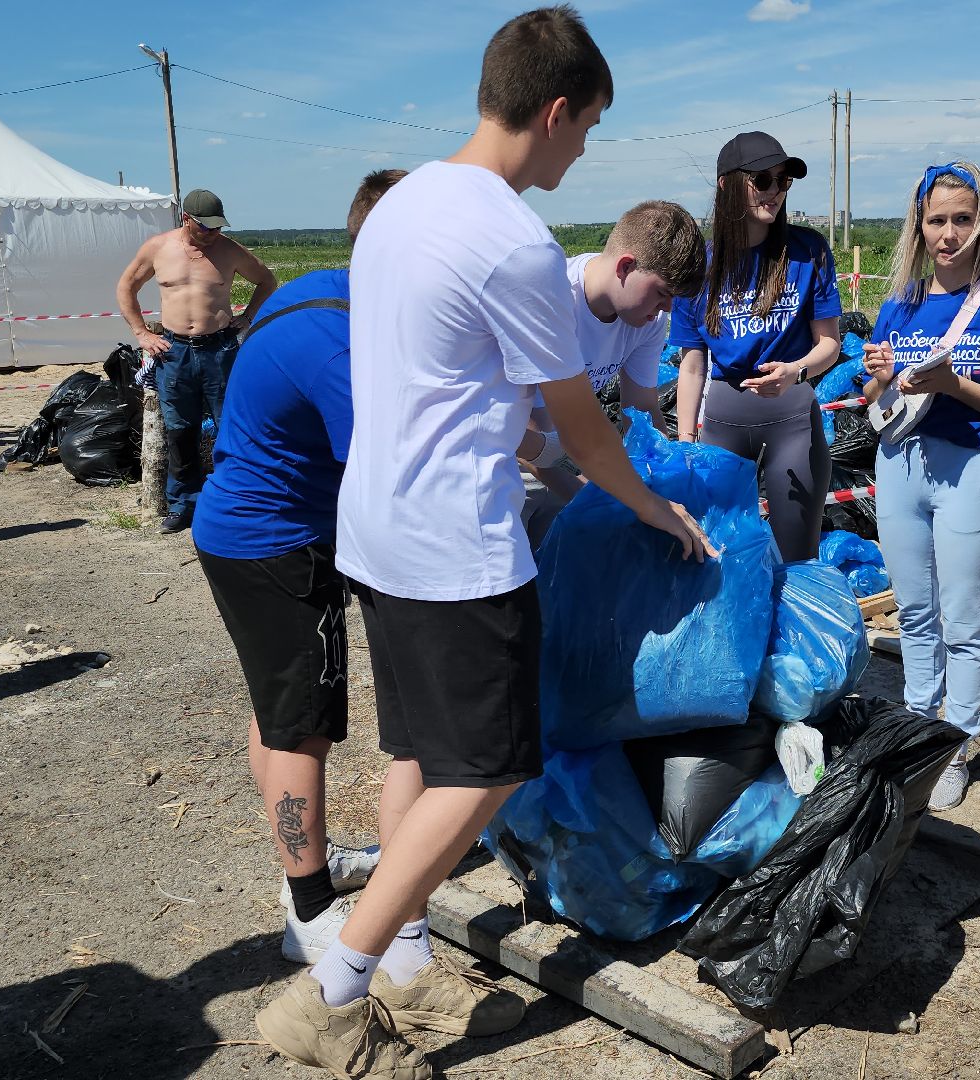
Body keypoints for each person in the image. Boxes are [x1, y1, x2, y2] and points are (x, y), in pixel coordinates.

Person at [254, 9, 713, 1076]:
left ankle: (406, 962)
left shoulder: (402, 204)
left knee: (420, 753)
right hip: (454, 541)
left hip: (376, 524)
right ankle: (331, 993)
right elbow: (580, 420)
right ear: (553, 111)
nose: (585, 148)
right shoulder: (513, 239)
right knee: (491, 768)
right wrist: (647, 504)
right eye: (588, 124)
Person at [191, 169, 407, 967]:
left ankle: (300, 872)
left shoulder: (323, 290)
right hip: (278, 543)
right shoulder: (346, 344)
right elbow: (382, 477)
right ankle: (309, 912)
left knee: (278, 711)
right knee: (302, 729)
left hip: (239, 528)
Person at [857, 162, 980, 812]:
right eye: (937, 220)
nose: (949, 233)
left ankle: (954, 747)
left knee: (962, 619)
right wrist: (878, 374)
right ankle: (916, 733)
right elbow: (875, 396)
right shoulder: (901, 304)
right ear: (920, 226)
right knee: (912, 614)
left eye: (962, 218)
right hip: (899, 466)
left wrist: (953, 385)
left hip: (965, 468)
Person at [671, 131, 841, 563]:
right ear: (728, 185)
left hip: (792, 416)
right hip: (722, 421)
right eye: (763, 179)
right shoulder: (701, 266)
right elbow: (692, 366)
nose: (775, 191)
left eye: (783, 181)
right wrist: (686, 443)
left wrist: (796, 372)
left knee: (796, 556)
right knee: (718, 556)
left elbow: (830, 345)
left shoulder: (808, 252)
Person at [517, 198, 706, 535]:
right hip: (514, 469)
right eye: (663, 292)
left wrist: (662, 479)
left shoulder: (648, 319)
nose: (666, 308)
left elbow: (643, 409)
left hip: (567, 452)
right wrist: (619, 501)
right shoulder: (555, 301)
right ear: (625, 267)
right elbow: (538, 439)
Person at [114, 188, 277, 534]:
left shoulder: (230, 251)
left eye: (218, 227)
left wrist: (247, 317)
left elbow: (267, 280)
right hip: (174, 352)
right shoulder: (159, 248)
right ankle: (182, 504)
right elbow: (126, 286)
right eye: (206, 227)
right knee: (180, 430)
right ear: (186, 219)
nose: (213, 234)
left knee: (231, 426)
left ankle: (239, 500)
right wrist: (142, 333)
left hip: (220, 349)